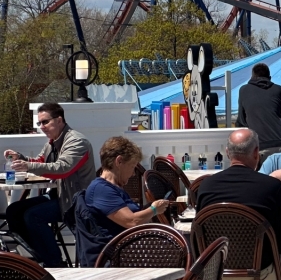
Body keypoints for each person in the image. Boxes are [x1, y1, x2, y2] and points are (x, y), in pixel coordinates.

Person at [195, 129, 281, 280]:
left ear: (228, 153)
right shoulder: (271, 186)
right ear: (256, 153)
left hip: (218, 270)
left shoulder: (206, 186)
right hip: (261, 269)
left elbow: (201, 233)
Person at [4, 102, 96, 267]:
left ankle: (55, 264)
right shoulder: (52, 142)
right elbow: (40, 161)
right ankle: (38, 257)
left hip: (75, 201)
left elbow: (62, 169)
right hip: (58, 195)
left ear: (59, 120)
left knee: (32, 215)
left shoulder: (77, 142)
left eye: (45, 122)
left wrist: (28, 166)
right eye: (39, 123)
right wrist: (21, 158)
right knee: (14, 210)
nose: (41, 127)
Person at [75, 137, 171, 269]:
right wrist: (154, 209)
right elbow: (131, 221)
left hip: (127, 252)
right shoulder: (101, 189)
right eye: (132, 166)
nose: (133, 174)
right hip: (116, 258)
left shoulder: (113, 188)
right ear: (119, 161)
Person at [236, 63, 281, 159]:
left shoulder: (244, 90)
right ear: (269, 77)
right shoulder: (278, 89)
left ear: (252, 76)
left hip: (259, 143)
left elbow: (241, 120)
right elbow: (279, 115)